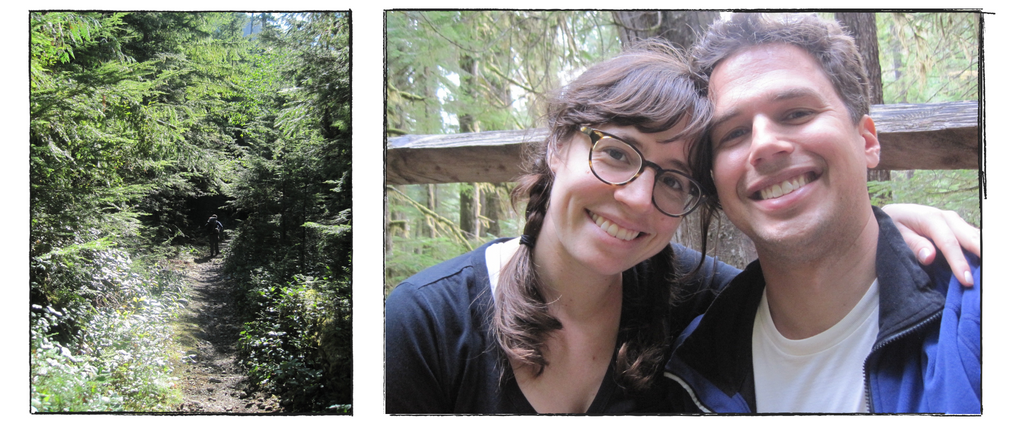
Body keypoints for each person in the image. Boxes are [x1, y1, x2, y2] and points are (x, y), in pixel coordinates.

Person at [385, 39, 978, 414]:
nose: (639, 198)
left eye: (672, 179)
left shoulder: (693, 301)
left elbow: (818, 263)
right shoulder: (426, 324)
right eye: (616, 153)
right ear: (556, 148)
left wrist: (885, 231)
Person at [662, 13, 980, 414]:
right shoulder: (692, 368)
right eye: (734, 134)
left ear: (866, 141)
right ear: (714, 180)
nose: (764, 144)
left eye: (796, 113)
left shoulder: (976, 315)